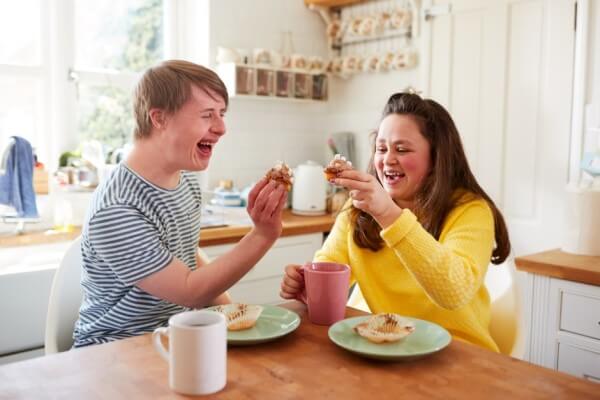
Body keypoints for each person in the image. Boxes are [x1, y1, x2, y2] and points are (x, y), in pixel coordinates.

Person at [73, 60, 287, 347]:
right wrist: (263, 234)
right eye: (207, 115)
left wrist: (232, 316)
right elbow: (190, 290)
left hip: (179, 337)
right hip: (116, 350)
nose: (222, 128)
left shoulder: (183, 180)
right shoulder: (117, 208)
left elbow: (187, 254)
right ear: (159, 119)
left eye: (222, 114)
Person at [280, 92, 510, 352]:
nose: (387, 159)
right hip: (382, 344)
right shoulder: (359, 207)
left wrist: (388, 215)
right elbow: (329, 268)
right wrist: (308, 285)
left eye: (402, 149)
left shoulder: (470, 211)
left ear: (437, 157)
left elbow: (453, 292)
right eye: (381, 148)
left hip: (457, 352)